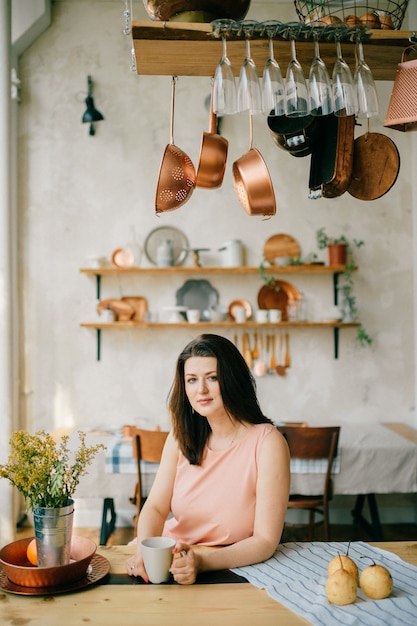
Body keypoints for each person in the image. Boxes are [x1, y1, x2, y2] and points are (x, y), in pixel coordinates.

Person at [126, 333, 290, 585]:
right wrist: (144, 552)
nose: (201, 389)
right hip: (169, 558)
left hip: (227, 563)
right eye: (192, 380)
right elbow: (156, 507)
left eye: (212, 378)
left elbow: (266, 542)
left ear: (232, 380)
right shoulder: (180, 436)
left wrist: (202, 563)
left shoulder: (268, 443)